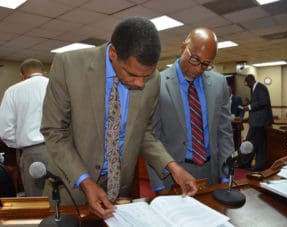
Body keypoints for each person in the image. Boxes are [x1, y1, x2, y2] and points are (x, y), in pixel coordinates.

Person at [40, 17, 197, 219]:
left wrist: (172, 167)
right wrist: (86, 181)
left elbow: (144, 133)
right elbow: (54, 132)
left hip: (118, 189)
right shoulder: (68, 66)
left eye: (146, 76)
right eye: (132, 74)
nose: (141, 83)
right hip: (72, 186)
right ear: (113, 54)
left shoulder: (153, 79)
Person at [146, 28, 234, 194]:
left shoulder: (219, 83)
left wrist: (225, 173)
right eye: (195, 59)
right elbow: (152, 138)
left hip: (211, 171)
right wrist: (159, 185)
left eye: (206, 64)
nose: (199, 69)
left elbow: (224, 132)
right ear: (182, 49)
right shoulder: (157, 83)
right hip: (173, 174)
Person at [0, 58, 49, 196]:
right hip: (62, 150)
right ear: (43, 72)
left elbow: (4, 131)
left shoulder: (13, 91)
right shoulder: (56, 85)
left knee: (37, 200)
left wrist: (22, 143)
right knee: (64, 199)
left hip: (32, 153)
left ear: (22, 76)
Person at [240, 74, 273, 171]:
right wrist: (248, 105)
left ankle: (255, 165)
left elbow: (263, 102)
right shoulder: (256, 88)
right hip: (256, 122)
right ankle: (248, 163)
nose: (247, 86)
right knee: (253, 143)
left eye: (247, 83)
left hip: (261, 122)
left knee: (255, 143)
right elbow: (258, 102)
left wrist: (249, 107)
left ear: (250, 81)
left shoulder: (260, 87)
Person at [228, 86, 244, 150]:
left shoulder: (237, 98)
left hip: (236, 124)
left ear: (230, 91)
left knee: (236, 142)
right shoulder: (222, 99)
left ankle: (237, 155)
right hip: (227, 124)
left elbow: (241, 109)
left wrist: (240, 117)